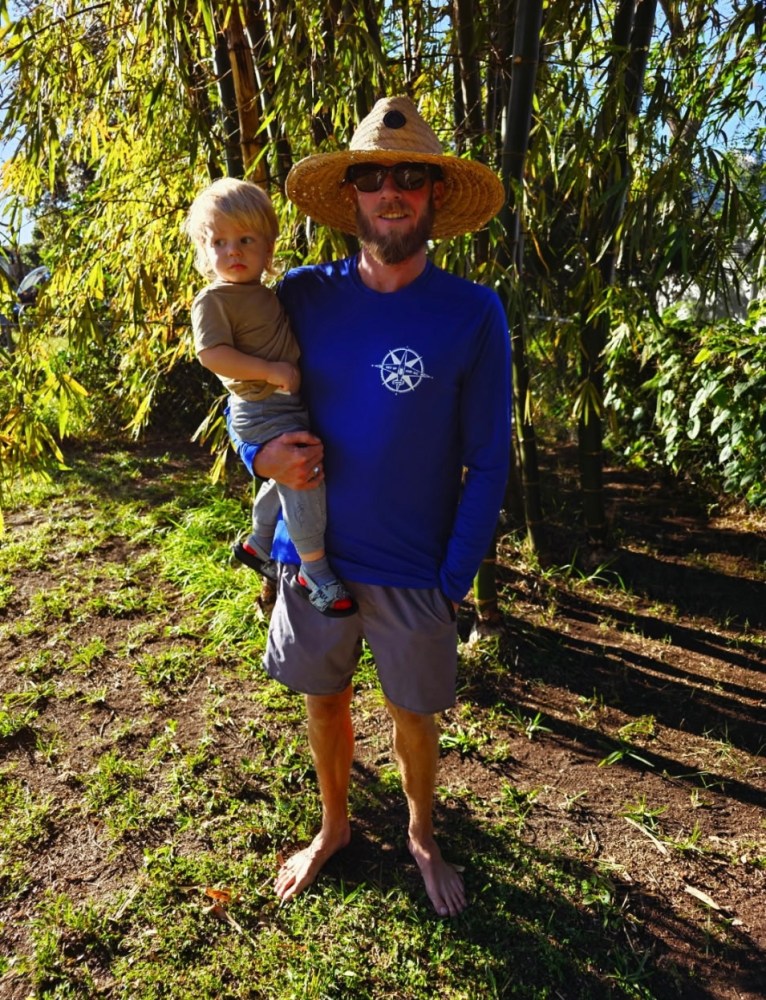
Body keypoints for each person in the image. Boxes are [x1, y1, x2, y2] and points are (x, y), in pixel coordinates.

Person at [230, 95, 511, 917]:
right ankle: (336, 824)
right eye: (373, 176)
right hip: (311, 557)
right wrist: (257, 455)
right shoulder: (303, 297)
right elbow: (243, 394)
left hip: (415, 566)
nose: (391, 192)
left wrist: (454, 576)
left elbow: (490, 459)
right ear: (351, 195)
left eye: (411, 177)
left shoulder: (472, 312)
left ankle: (422, 833)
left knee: (414, 713)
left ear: (433, 196)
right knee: (324, 700)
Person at [184, 177, 356, 617]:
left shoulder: (266, 293)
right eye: (219, 242)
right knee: (305, 478)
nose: (233, 251)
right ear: (205, 251)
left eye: (245, 239)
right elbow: (211, 355)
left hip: (281, 404)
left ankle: (259, 542)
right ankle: (314, 570)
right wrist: (271, 371)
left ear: (268, 247)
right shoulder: (214, 299)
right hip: (261, 407)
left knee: (286, 476)